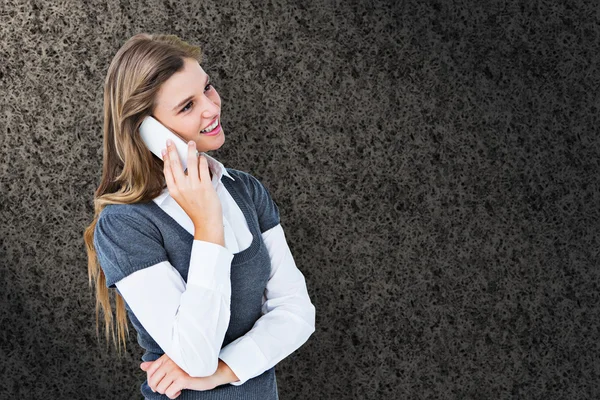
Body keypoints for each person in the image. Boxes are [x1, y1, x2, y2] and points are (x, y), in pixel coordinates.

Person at [83, 33, 316, 400]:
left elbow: (297, 313)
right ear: (147, 131)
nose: (211, 107)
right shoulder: (125, 225)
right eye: (187, 106)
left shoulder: (245, 190)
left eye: (207, 88)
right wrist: (208, 225)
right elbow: (195, 356)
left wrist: (222, 372)